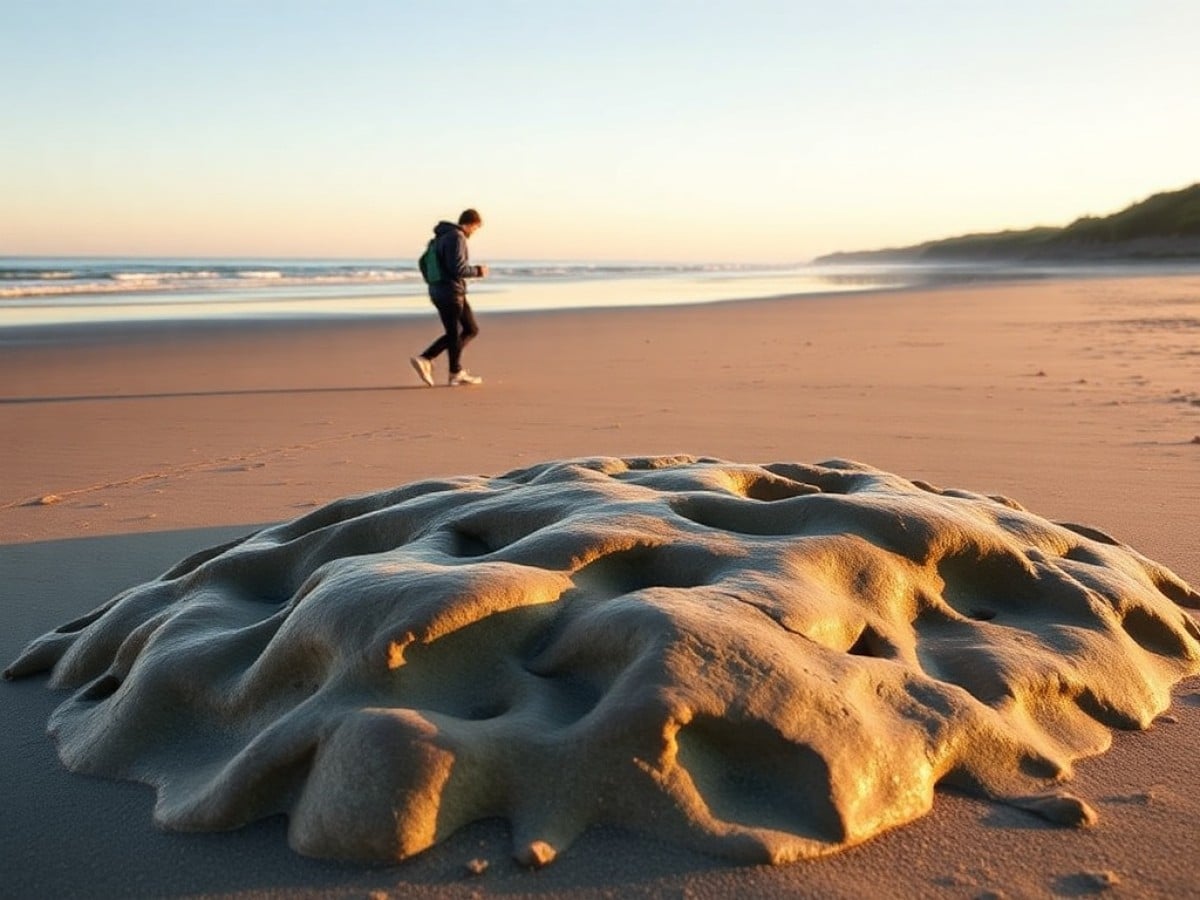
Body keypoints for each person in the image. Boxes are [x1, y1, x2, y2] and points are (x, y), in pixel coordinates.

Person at [411, 209, 489, 387]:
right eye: (475, 229)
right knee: (457, 333)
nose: (473, 233)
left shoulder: (439, 238)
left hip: (439, 290)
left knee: (469, 329)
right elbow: (458, 269)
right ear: (471, 224)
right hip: (451, 292)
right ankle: (429, 359)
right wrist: (478, 271)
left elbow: (425, 265)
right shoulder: (457, 236)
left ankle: (454, 371)